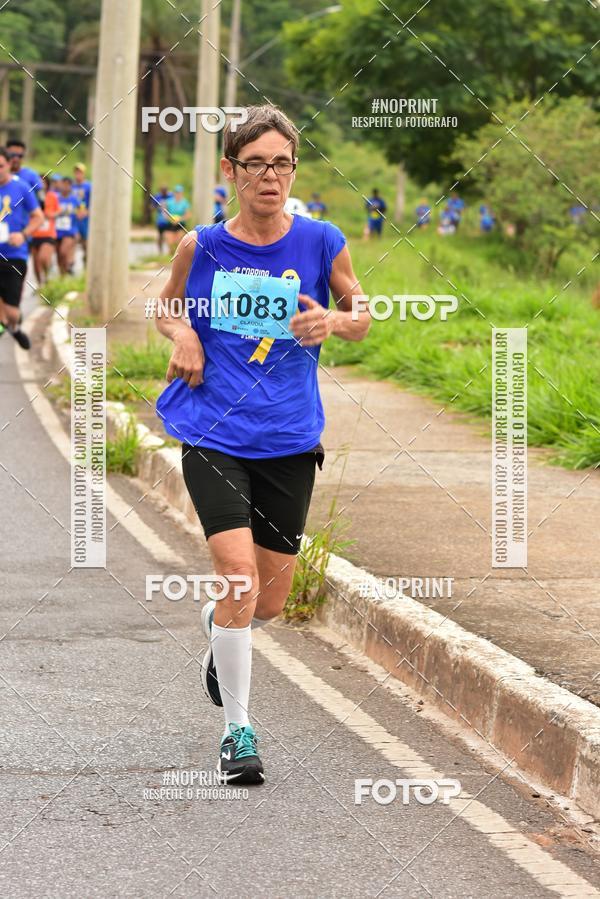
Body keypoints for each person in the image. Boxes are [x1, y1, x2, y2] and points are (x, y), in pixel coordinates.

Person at [155, 104, 370, 785]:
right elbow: (165, 304)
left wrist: (335, 320)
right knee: (241, 581)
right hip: (213, 432)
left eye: (281, 163)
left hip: (288, 438)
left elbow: (363, 313)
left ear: (294, 170)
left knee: (268, 601)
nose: (270, 176)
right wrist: (184, 333)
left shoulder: (322, 241)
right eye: (255, 164)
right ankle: (238, 733)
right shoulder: (203, 247)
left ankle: (222, 625)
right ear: (231, 171)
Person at [0, 147, 43, 348]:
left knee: (12, 313)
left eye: (0, 166)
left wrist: (23, 234)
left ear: (9, 165)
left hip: (14, 255)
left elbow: (38, 216)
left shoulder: (22, 187)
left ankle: (13, 327)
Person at [31, 175, 59, 284]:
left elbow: (58, 211)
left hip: (48, 234)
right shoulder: (32, 196)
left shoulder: (52, 196)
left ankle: (47, 279)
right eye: (38, 182)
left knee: (43, 258)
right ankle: (40, 285)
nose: (41, 184)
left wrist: (50, 215)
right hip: (35, 234)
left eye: (43, 182)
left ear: (47, 184)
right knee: (36, 265)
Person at [55, 176, 79, 275]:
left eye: (67, 185)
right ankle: (63, 276)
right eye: (63, 184)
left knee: (63, 252)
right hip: (57, 231)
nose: (65, 187)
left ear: (70, 187)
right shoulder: (56, 198)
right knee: (59, 256)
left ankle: (67, 268)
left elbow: (81, 212)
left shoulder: (74, 200)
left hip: (70, 231)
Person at [73, 163, 92, 261]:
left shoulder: (88, 186)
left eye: (80, 172)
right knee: (73, 239)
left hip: (85, 217)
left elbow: (93, 201)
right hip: (75, 216)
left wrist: (88, 212)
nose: (78, 175)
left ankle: (87, 258)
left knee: (86, 240)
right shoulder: (72, 186)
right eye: (76, 172)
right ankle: (71, 262)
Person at [164, 184, 190, 250]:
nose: (178, 194)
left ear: (182, 193)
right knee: (170, 243)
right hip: (170, 224)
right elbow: (165, 212)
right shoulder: (169, 201)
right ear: (174, 193)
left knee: (178, 242)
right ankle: (170, 255)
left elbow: (188, 215)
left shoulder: (185, 202)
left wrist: (180, 219)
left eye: (180, 192)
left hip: (180, 224)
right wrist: (170, 219)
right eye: (177, 192)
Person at [151, 185, 173, 253]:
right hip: (161, 219)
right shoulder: (157, 197)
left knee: (169, 234)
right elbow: (152, 207)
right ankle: (160, 251)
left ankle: (170, 250)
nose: (164, 193)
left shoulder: (171, 196)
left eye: (165, 191)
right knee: (160, 235)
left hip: (169, 219)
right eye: (163, 192)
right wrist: (156, 207)